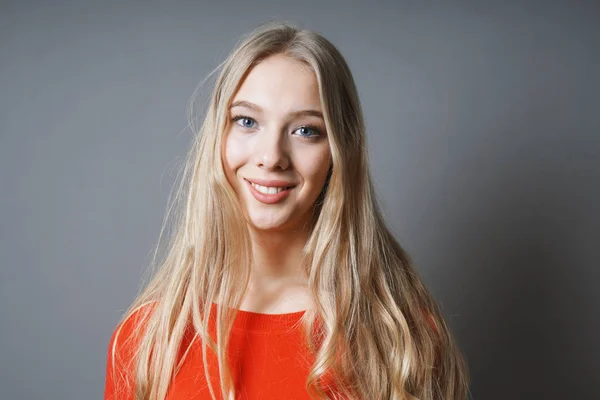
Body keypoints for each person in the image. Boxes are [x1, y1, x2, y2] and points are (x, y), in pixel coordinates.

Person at [104, 22, 470, 400]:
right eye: (247, 122)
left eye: (305, 130)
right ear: (218, 137)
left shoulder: (399, 341)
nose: (271, 157)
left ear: (340, 152)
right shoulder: (147, 339)